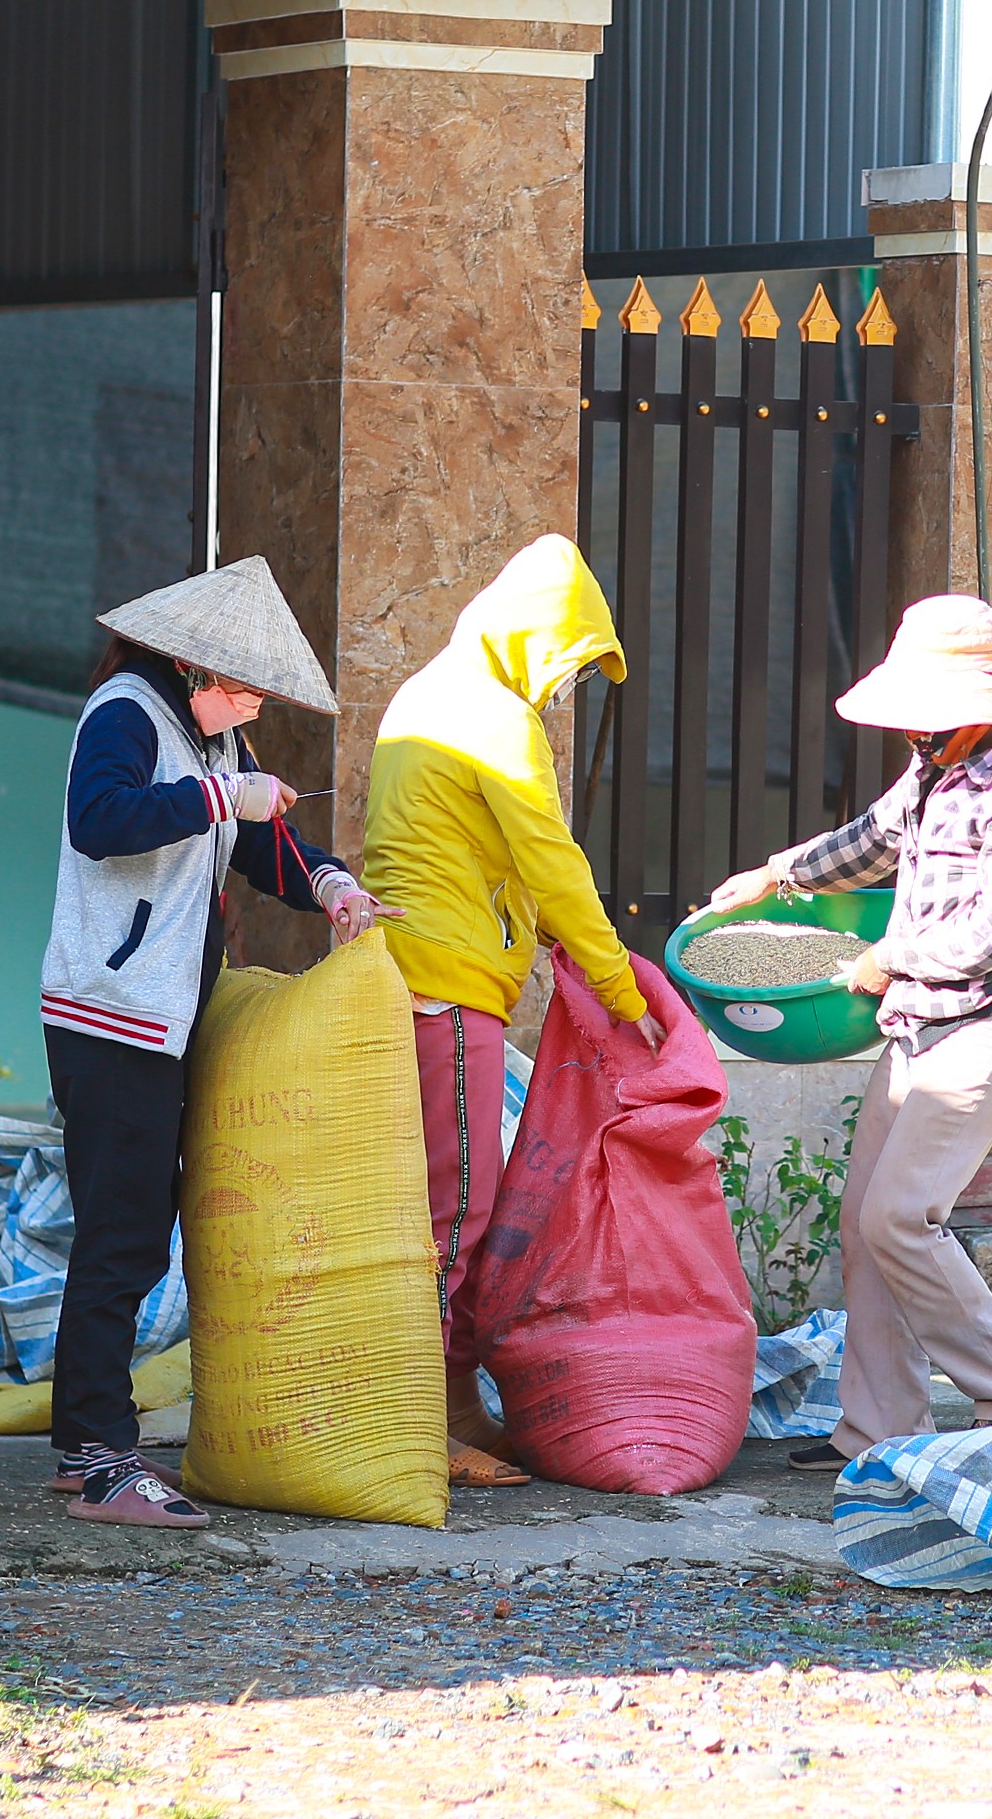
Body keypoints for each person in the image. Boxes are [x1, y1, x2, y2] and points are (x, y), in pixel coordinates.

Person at [41, 556, 394, 1529]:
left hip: (156, 1018)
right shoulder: (124, 711)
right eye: (241, 686)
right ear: (192, 666)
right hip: (107, 1014)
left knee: (131, 1229)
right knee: (118, 1237)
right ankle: (104, 1460)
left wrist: (329, 885)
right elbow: (98, 820)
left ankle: (85, 1449)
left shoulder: (212, 741)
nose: (251, 704)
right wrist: (214, 802)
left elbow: (256, 846)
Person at [705, 595, 992, 1468]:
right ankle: (877, 1432)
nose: (914, 734)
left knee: (902, 1219)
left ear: (976, 709)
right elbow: (869, 842)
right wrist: (773, 876)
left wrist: (889, 956)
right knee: (863, 1226)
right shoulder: (935, 772)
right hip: (914, 1032)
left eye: (928, 718)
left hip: (982, 1033)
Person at [363, 534, 668, 1488]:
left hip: (407, 976)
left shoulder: (429, 693)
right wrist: (620, 988)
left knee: (433, 1210)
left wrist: (535, 931)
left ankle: (444, 1404)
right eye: (566, 664)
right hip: (447, 988)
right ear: (534, 640)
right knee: (455, 1212)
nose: (561, 688)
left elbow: (470, 846)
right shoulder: (493, 715)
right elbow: (550, 857)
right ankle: (421, 1425)